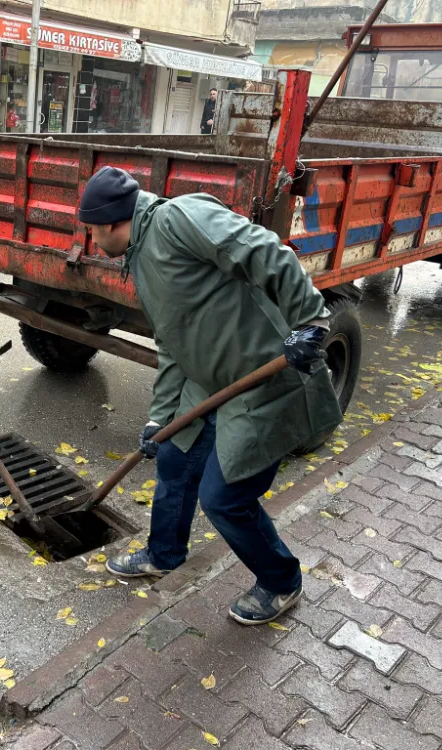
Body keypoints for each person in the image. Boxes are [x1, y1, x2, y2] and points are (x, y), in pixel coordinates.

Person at [77, 166, 341, 625]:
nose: (91, 240)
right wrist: (159, 420)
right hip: (208, 383)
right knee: (174, 459)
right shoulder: (139, 253)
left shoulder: (178, 219)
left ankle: (281, 581)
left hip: (260, 381)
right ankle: (164, 554)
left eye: (92, 231)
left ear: (114, 222)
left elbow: (265, 249)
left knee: (224, 498)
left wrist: (311, 321)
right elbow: (172, 342)